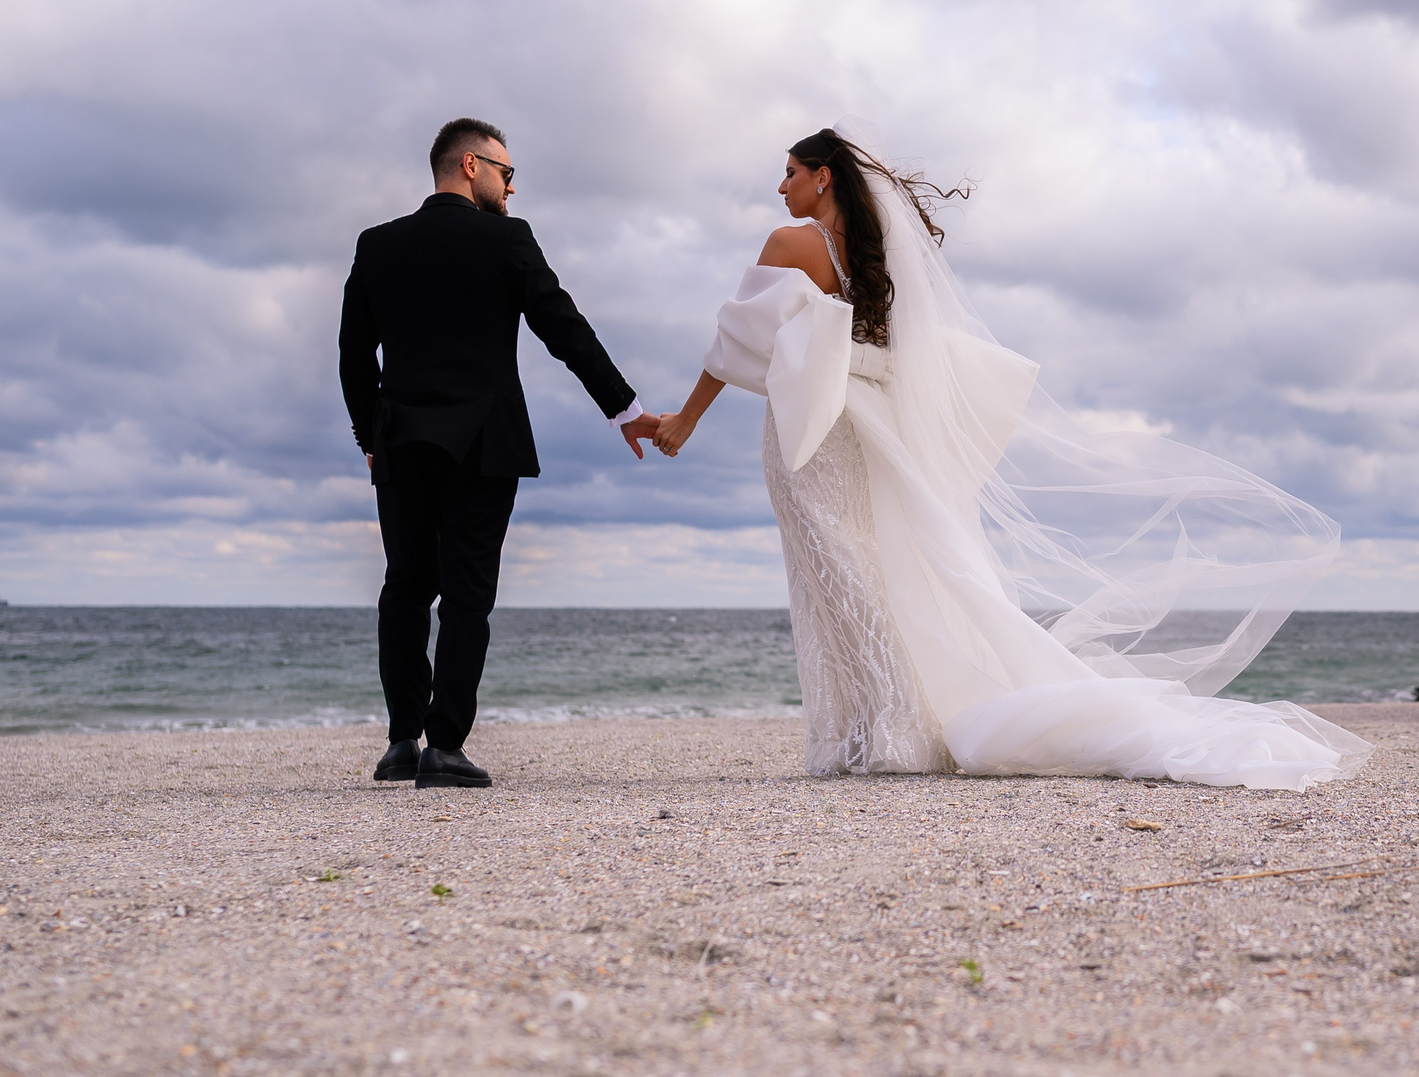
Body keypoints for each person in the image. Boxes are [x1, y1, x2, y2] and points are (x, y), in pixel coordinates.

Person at [651, 128, 1366, 790]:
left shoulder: (792, 242)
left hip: (806, 430)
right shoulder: (879, 263)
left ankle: (888, 732)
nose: (781, 187)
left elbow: (736, 345)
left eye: (790, 173)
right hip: (859, 428)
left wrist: (684, 419)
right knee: (860, 567)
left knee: (834, 573)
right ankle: (881, 727)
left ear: (823, 177)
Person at [339, 120, 663, 789]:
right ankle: (445, 746)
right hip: (484, 441)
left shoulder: (377, 245)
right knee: (465, 593)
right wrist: (624, 409)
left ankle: (403, 741)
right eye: (505, 173)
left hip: (400, 440)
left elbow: (352, 355)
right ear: (468, 165)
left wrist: (371, 438)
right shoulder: (507, 239)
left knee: (405, 586)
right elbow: (563, 326)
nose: (511, 186)